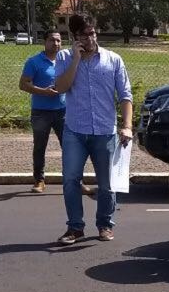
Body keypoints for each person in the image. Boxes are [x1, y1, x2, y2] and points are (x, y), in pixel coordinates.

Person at [52, 15, 133, 243]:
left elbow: (125, 96)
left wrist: (127, 126)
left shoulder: (113, 59)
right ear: (74, 37)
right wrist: (76, 60)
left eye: (93, 33)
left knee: (107, 184)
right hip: (75, 131)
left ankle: (105, 224)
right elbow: (60, 88)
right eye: (84, 35)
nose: (90, 38)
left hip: (105, 132)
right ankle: (75, 228)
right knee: (70, 180)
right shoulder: (64, 57)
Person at [19, 30, 66, 193]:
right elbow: (23, 84)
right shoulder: (34, 62)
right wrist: (43, 92)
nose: (56, 44)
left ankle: (74, 181)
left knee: (70, 147)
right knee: (40, 147)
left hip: (63, 111)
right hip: (41, 112)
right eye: (52, 40)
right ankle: (39, 180)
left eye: (59, 40)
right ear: (44, 42)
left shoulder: (65, 61)